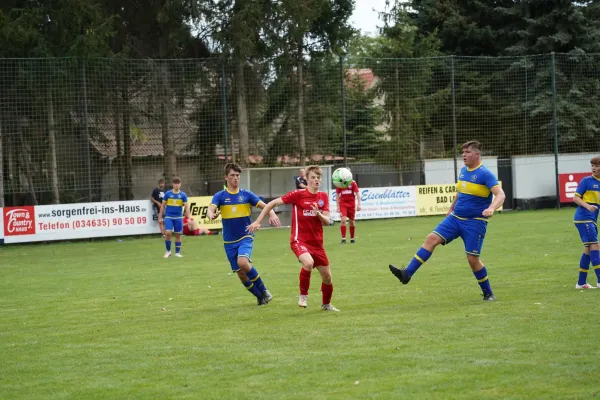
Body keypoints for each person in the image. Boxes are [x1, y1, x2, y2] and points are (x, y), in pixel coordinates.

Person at [389, 140, 506, 301]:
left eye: (467, 152)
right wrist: (451, 208)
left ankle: (488, 293)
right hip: (455, 218)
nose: (463, 155)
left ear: (477, 154)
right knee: (431, 239)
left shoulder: (485, 174)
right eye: (463, 152)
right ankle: (407, 274)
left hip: (474, 222)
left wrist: (492, 208)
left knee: (472, 259)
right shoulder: (464, 171)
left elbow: (501, 194)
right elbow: (460, 191)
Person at [248, 165, 339, 311]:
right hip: (299, 240)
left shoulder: (323, 197)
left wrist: (318, 214)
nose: (316, 180)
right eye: (313, 177)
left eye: (318, 177)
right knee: (308, 263)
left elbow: (327, 221)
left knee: (327, 278)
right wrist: (258, 221)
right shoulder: (298, 195)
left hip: (317, 244)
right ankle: (303, 295)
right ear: (307, 180)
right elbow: (272, 203)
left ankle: (326, 305)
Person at [207, 163, 281, 306]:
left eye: (237, 176)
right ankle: (260, 297)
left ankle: (264, 291)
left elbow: (265, 206)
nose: (235, 178)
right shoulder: (220, 196)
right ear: (226, 177)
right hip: (229, 241)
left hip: (245, 236)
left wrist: (271, 213)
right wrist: (211, 215)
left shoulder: (246, 194)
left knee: (243, 262)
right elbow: (210, 209)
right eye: (232, 175)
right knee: (241, 273)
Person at [572, 156, 600, 289]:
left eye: (597, 165)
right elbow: (576, 198)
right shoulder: (586, 181)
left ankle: (581, 283)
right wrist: (588, 206)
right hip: (584, 218)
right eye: (592, 165)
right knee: (595, 246)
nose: (594, 168)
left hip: (592, 220)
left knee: (588, 248)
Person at [158, 176, 191, 258]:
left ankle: (177, 252)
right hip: (169, 217)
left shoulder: (183, 195)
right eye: (175, 183)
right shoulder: (168, 194)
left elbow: (187, 207)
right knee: (168, 233)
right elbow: (162, 206)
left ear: (180, 184)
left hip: (178, 217)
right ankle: (168, 251)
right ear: (173, 184)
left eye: (178, 183)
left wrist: (189, 217)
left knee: (178, 235)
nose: (176, 185)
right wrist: (160, 216)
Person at [336, 178, 361, 244]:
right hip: (343, 204)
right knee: (343, 220)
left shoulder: (353, 183)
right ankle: (343, 239)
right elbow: (337, 195)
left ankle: (352, 238)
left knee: (352, 222)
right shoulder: (340, 183)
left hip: (351, 205)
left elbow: (357, 193)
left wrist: (359, 204)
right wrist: (338, 206)